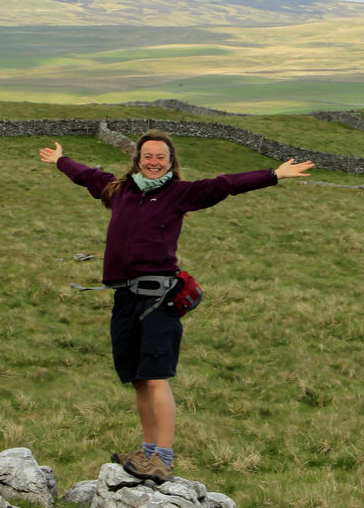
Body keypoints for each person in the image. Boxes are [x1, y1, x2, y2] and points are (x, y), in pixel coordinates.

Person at [39, 130, 314, 484]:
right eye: (148, 156)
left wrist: (273, 175)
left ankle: (163, 459)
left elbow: (225, 184)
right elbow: (85, 175)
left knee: (155, 378)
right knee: (138, 379)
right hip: (124, 297)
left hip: (158, 298)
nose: (153, 163)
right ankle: (148, 451)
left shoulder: (180, 194)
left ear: (171, 163)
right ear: (138, 159)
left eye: (161, 158)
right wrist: (60, 159)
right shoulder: (117, 190)